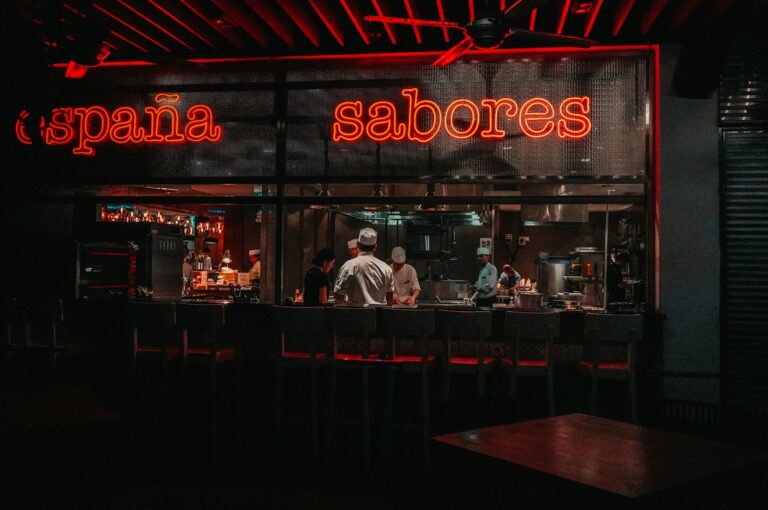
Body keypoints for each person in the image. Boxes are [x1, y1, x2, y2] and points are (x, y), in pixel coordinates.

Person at [334, 228, 394, 306]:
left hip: (356, 314)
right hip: (379, 315)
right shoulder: (386, 268)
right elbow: (389, 298)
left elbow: (338, 296)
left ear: (358, 245)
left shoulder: (349, 265)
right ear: (375, 247)